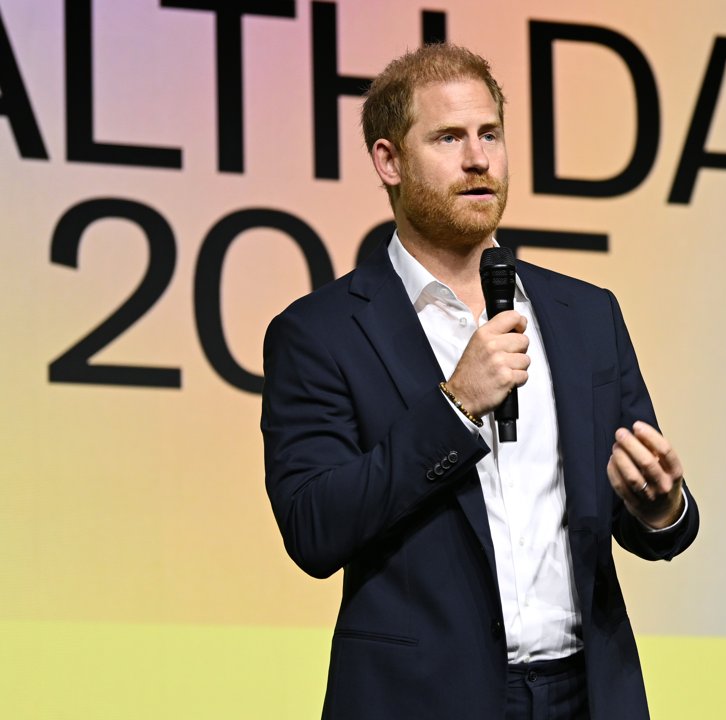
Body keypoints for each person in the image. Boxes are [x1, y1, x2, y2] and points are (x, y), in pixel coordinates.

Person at [261, 43, 699, 720]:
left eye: (490, 134)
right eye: (448, 138)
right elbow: (314, 529)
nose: (478, 159)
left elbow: (642, 517)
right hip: (423, 699)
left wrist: (661, 507)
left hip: (588, 694)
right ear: (389, 162)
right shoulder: (320, 334)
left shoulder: (586, 315)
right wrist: (455, 406)